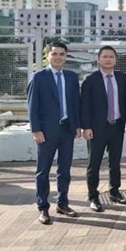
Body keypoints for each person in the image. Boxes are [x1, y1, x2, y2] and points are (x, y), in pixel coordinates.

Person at [27, 42, 81, 224]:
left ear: (66, 56)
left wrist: (77, 125)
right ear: (47, 56)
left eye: (62, 54)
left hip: (67, 130)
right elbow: (32, 107)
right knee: (43, 171)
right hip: (46, 132)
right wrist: (36, 130)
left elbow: (75, 104)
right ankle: (43, 208)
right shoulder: (39, 77)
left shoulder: (72, 77)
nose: (58, 57)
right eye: (54, 54)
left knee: (64, 170)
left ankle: (63, 203)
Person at [80, 45, 126, 212]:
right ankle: (93, 196)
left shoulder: (122, 77)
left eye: (111, 57)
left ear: (115, 60)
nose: (108, 59)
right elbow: (85, 106)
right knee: (94, 163)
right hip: (97, 128)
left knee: (115, 162)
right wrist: (86, 127)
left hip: (116, 126)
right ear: (98, 59)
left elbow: (125, 102)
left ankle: (115, 191)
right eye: (105, 57)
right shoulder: (90, 80)